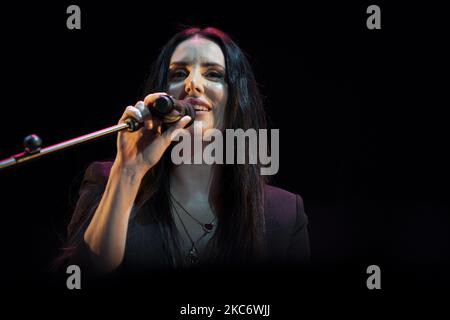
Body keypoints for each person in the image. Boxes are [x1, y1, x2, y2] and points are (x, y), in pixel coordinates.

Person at [57, 27, 310, 275]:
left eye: (213, 74)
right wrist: (128, 172)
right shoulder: (107, 181)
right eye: (178, 73)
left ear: (237, 97)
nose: (192, 85)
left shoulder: (283, 213)